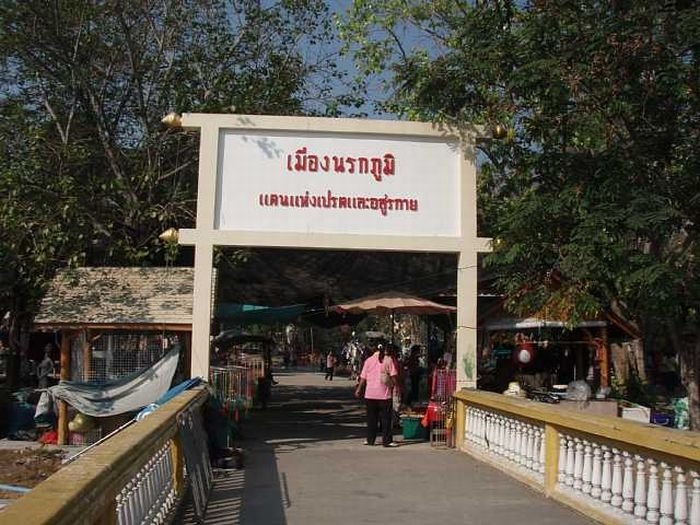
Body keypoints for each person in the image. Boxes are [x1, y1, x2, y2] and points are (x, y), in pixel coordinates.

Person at [354, 344, 399, 447]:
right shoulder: (388, 360)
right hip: (384, 394)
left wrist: (359, 389)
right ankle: (386, 441)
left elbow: (363, 377)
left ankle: (370, 440)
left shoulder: (368, 360)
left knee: (371, 419)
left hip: (370, 394)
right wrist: (397, 388)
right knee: (386, 419)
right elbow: (393, 377)